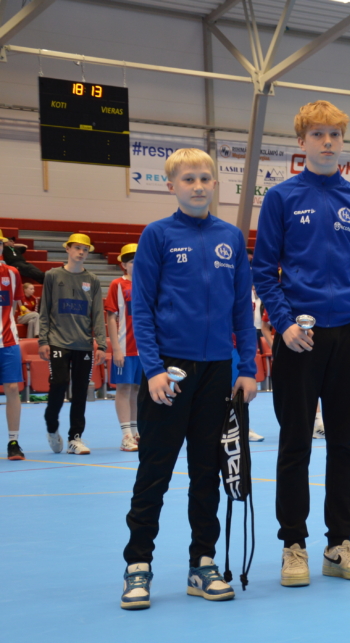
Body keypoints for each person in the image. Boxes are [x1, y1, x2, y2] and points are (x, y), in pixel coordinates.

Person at [253, 100, 350, 587]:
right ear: (301, 141)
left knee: (345, 445)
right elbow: (263, 271)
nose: (327, 142)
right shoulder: (281, 198)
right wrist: (284, 323)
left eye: (334, 134)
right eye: (318, 134)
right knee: (295, 444)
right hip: (298, 338)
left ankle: (338, 544)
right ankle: (293, 544)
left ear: (342, 141)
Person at [120, 147, 258, 610]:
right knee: (154, 472)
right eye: (188, 179)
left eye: (205, 178)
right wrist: (154, 369)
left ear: (216, 183)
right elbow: (142, 309)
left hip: (217, 372)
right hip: (170, 372)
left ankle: (203, 563)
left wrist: (246, 368)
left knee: (207, 473)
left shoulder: (231, 238)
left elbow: (241, 309)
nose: (198, 186)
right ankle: (138, 565)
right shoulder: (157, 235)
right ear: (171, 186)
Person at [38, 233, 105, 455]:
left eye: (85, 249)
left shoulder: (93, 280)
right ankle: (51, 426)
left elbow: (98, 314)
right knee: (58, 384)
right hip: (58, 341)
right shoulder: (52, 276)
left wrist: (101, 344)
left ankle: (75, 438)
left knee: (80, 391)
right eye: (77, 248)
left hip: (83, 344)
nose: (81, 252)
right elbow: (44, 310)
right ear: (67, 249)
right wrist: (43, 340)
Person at [105, 243, 141, 452]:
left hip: (143, 349)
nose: (137, 265)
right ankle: (125, 435)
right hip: (125, 348)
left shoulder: (149, 284)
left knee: (136, 389)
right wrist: (116, 348)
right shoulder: (117, 285)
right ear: (124, 265)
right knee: (124, 388)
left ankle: (135, 433)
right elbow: (111, 317)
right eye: (133, 262)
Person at [0, 258, 26, 460]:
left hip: (8, 340)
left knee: (12, 388)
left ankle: (13, 442)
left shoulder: (11, 273)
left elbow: (16, 305)